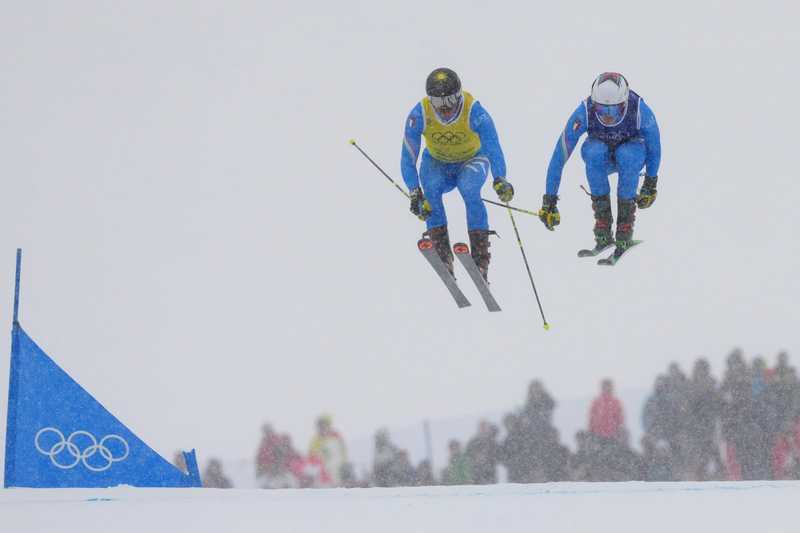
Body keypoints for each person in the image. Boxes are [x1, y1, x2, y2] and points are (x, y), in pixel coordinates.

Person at [401, 67, 512, 280]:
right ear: (429, 101)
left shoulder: (474, 111)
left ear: (459, 95)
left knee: (469, 188)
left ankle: (480, 256)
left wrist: (500, 178)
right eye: (438, 103)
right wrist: (414, 191)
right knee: (430, 190)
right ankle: (442, 252)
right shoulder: (419, 114)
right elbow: (408, 156)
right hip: (437, 162)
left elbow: (493, 147)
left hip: (471, 160)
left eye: (451, 100)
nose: (445, 109)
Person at [540, 72, 661, 260]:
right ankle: (603, 225)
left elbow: (654, 147)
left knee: (627, 155)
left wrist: (650, 183)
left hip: (632, 153)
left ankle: (625, 227)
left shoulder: (639, 110)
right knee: (593, 151)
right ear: (593, 103)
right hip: (602, 157)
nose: (608, 116)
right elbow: (560, 155)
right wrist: (550, 199)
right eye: (602, 110)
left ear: (625, 102)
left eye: (615, 110)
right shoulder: (584, 112)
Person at [308, 414, 348, 487]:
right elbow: (312, 456)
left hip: (338, 468)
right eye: (321, 425)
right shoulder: (316, 440)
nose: (323, 427)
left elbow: (342, 452)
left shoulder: (336, 437)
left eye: (324, 425)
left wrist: (343, 464)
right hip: (323, 472)